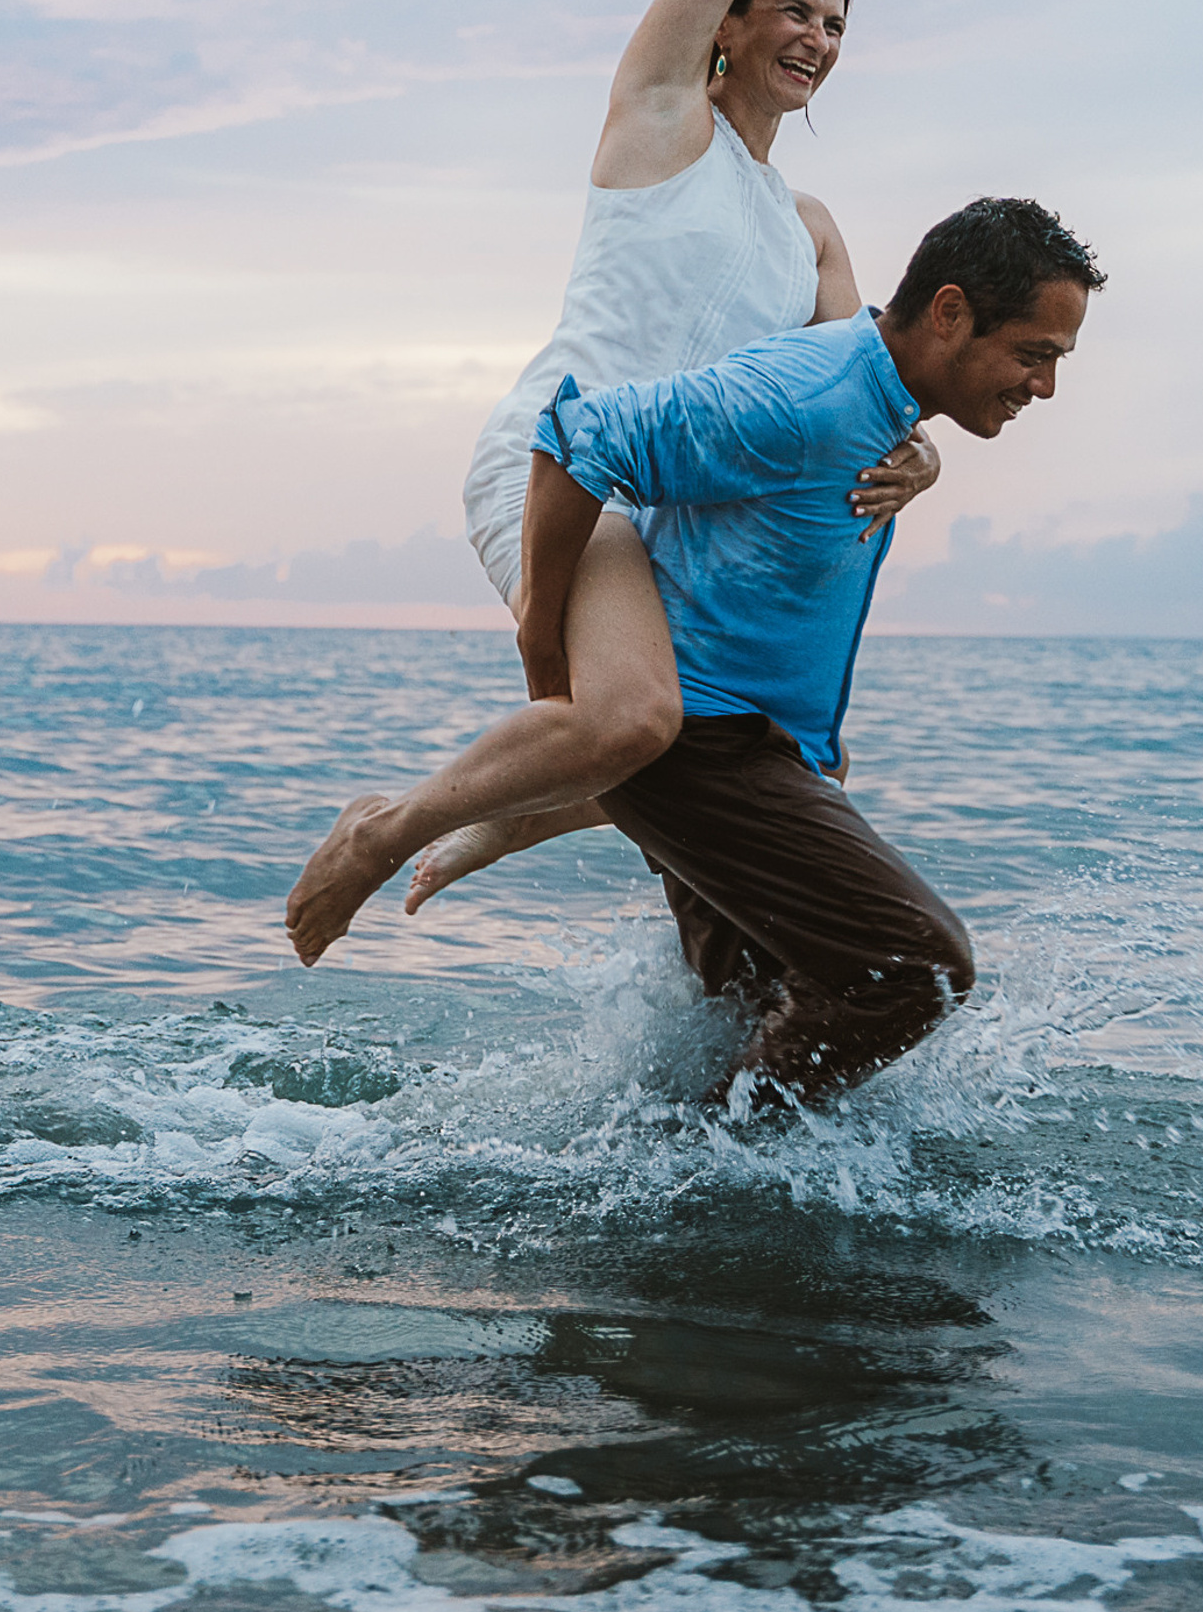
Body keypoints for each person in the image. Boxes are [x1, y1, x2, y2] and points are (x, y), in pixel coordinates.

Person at [283, 0, 935, 956]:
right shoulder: (659, 118)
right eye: (793, 9)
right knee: (637, 714)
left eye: (836, 24)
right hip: (561, 459)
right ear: (725, 26)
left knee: (758, 748)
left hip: (685, 504)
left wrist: (919, 458)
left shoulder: (812, 227)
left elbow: (865, 390)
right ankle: (382, 828)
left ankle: (504, 818)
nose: (816, 37)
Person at [306, 198, 1106, 1105]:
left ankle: (683, 1159)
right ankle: (718, 1150)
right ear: (951, 312)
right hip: (708, 750)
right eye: (1034, 354)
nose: (1045, 386)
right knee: (913, 971)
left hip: (767, 752)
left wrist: (926, 458)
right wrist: (544, 638)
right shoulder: (806, 398)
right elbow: (577, 438)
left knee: (753, 1010)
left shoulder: (881, 406)